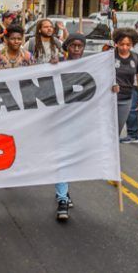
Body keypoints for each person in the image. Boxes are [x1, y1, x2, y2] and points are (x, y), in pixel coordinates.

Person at [53, 33, 87, 221]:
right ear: (66, 47)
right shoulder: (57, 63)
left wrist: (112, 88)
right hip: (60, 119)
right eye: (72, 45)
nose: (76, 49)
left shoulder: (92, 66)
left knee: (74, 158)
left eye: (79, 46)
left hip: (82, 120)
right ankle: (62, 199)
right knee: (63, 158)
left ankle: (65, 191)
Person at [112, 28, 138, 134]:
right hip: (108, 99)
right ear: (116, 43)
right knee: (106, 130)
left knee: (116, 131)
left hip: (125, 100)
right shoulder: (108, 56)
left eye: (128, 44)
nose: (125, 47)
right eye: (121, 44)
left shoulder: (137, 58)